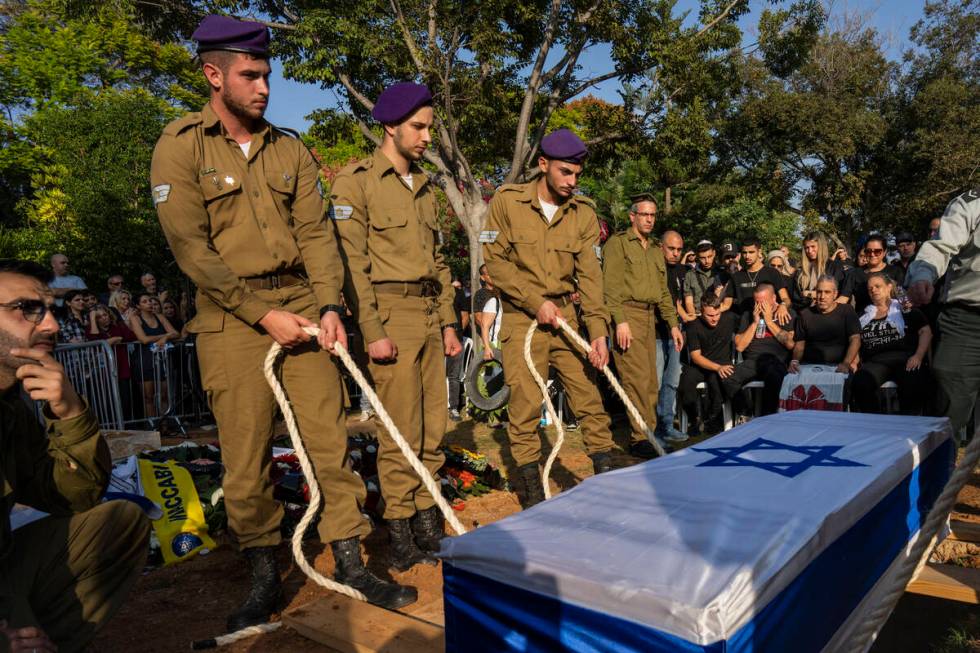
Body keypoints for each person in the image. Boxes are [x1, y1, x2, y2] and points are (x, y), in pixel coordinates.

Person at [151, 15, 417, 629]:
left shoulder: (290, 147)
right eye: (250, 75)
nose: (264, 87)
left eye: (267, 75)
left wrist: (328, 306)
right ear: (214, 75)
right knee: (246, 459)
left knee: (330, 440)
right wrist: (260, 313)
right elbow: (191, 249)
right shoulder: (181, 145)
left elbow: (318, 237)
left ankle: (350, 559)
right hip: (229, 319)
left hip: (302, 307)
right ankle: (264, 574)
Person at [330, 81, 462, 571]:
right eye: (419, 127)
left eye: (430, 127)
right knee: (399, 429)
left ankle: (428, 521)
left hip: (430, 314)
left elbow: (440, 261)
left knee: (434, 426)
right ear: (390, 126)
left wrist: (449, 321)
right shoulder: (356, 182)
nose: (428, 137)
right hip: (389, 314)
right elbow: (350, 264)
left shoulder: (426, 187)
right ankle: (401, 528)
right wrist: (373, 328)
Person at [0, 259, 149, 652]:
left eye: (50, 310)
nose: (50, 325)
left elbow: (71, 496)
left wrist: (70, 413)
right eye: (27, 309)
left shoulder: (11, 405)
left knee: (120, 521)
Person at [483, 128, 617, 507]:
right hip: (522, 317)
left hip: (568, 317)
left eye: (577, 174)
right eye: (565, 173)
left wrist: (597, 333)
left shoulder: (584, 213)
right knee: (525, 405)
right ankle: (531, 492)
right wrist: (533, 300)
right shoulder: (507, 203)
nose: (573, 182)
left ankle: (606, 481)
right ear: (543, 165)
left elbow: (591, 277)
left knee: (589, 397)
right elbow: (495, 263)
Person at [602, 194, 683, 457]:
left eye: (653, 215)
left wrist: (672, 324)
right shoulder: (618, 244)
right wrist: (620, 321)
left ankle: (648, 435)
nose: (649, 219)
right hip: (628, 314)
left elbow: (663, 293)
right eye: (644, 214)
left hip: (650, 318)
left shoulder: (655, 250)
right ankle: (640, 439)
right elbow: (610, 288)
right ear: (632, 216)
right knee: (636, 380)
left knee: (650, 382)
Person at [907, 187, 980, 433]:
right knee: (950, 412)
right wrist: (923, 275)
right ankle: (941, 469)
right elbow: (939, 247)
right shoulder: (970, 204)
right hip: (967, 322)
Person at [851, 272, 931, 414]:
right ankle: (875, 424)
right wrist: (854, 361)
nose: (873, 290)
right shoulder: (863, 315)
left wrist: (918, 356)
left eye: (878, 286)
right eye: (870, 288)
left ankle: (908, 426)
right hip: (875, 361)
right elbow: (856, 340)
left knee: (912, 381)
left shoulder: (904, 308)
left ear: (889, 288)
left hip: (904, 358)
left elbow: (925, 331)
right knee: (861, 381)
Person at [723, 283, 796, 416]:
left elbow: (790, 344)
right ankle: (745, 413)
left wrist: (769, 321)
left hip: (775, 361)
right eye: (757, 302)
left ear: (774, 298)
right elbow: (740, 346)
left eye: (763, 302)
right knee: (727, 377)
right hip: (752, 362)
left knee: (773, 376)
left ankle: (766, 417)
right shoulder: (748, 315)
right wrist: (755, 322)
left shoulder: (787, 314)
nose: (759, 306)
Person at [678, 294, 737, 435]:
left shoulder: (729, 318)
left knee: (717, 382)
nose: (715, 318)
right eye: (710, 315)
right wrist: (717, 367)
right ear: (701, 311)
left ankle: (714, 419)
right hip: (699, 365)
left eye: (717, 314)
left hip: (722, 363)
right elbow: (696, 356)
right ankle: (694, 419)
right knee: (685, 382)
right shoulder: (693, 324)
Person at [655, 230, 690, 442]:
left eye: (679, 249)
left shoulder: (684, 271)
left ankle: (667, 425)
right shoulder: (653, 269)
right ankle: (653, 429)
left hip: (677, 334)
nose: (675, 253)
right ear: (661, 247)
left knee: (672, 381)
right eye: (671, 248)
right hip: (655, 334)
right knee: (656, 383)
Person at [790, 275, 861, 373]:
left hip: (839, 366)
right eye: (819, 292)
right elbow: (800, 344)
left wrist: (846, 363)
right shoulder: (805, 314)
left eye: (827, 292)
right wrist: (794, 362)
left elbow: (855, 339)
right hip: (809, 366)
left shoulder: (847, 311)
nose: (822, 297)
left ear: (835, 294)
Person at [729, 236, 792, 318]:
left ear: (759, 252)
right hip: (746, 322)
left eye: (751, 252)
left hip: (770, 320)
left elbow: (786, 298)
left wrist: (783, 306)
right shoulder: (737, 276)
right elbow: (727, 304)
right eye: (744, 252)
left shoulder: (772, 273)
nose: (747, 256)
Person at [792, 231, 852, 311]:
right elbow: (796, 299)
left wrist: (810, 294)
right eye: (807, 248)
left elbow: (838, 293)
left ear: (821, 246)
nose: (809, 251)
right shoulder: (801, 271)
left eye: (813, 246)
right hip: (806, 314)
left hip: (830, 314)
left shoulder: (834, 267)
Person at [848, 234, 904, 312]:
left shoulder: (896, 272)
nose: (872, 254)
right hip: (863, 320)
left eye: (877, 251)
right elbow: (844, 297)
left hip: (892, 318)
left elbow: (902, 297)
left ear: (885, 252)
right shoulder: (854, 273)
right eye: (868, 251)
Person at [683, 240, 733, 319]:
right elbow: (688, 302)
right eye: (702, 258)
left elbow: (727, 303)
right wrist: (694, 319)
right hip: (698, 317)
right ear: (697, 256)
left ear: (714, 253)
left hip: (719, 316)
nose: (706, 261)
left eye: (709, 256)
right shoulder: (690, 275)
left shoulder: (723, 273)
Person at [446, 279, 469, 421]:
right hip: (435, 337)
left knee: (453, 375)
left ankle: (453, 408)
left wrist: (458, 333)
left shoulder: (458, 293)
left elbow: (465, 316)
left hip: (456, 337)